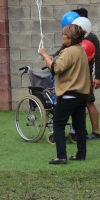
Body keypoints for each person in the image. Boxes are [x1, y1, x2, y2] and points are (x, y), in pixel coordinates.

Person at [38, 24, 90, 164]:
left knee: (58, 124)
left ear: (70, 37)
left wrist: (44, 55)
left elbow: (56, 69)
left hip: (68, 96)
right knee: (79, 126)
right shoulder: (81, 50)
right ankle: (81, 154)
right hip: (81, 95)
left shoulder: (68, 51)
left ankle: (61, 156)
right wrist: (50, 60)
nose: (62, 36)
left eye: (64, 34)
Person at [53, 8, 100, 140]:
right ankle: (81, 131)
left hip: (85, 75)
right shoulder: (72, 37)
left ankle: (96, 132)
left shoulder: (91, 37)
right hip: (74, 75)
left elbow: (98, 58)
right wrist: (51, 56)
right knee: (80, 105)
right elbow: (62, 50)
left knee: (89, 102)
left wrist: (97, 77)